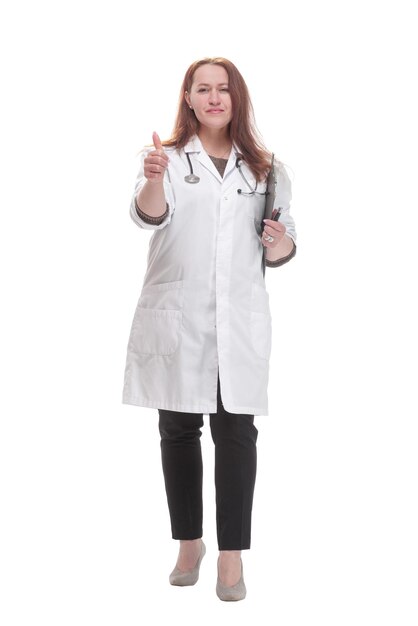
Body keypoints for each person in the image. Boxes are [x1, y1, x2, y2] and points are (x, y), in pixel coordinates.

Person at [122, 57, 297, 601]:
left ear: (236, 98)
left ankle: (231, 556)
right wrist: (153, 181)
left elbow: (287, 243)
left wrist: (276, 242)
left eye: (224, 89)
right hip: (180, 317)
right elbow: (148, 216)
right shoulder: (167, 160)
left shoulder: (266, 168)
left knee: (236, 434)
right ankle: (188, 544)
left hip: (237, 322)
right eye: (205, 89)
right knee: (178, 431)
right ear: (190, 97)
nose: (215, 97)